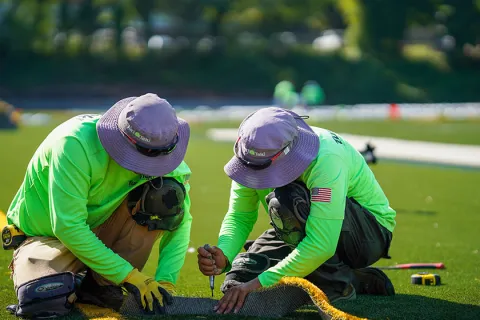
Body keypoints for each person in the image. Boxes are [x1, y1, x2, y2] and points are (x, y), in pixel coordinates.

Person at [3, 93, 193, 318]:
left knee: (165, 196)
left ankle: (102, 284)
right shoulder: (74, 144)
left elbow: (179, 221)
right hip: (48, 237)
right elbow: (67, 226)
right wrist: (130, 276)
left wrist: (166, 282)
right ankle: (86, 276)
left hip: (104, 230)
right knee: (42, 299)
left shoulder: (164, 152)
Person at [197, 107, 396, 314]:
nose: (252, 174)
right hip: (301, 225)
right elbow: (240, 215)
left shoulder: (326, 158)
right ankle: (336, 274)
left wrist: (259, 283)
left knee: (289, 200)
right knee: (239, 276)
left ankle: (339, 283)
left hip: (368, 234)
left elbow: (322, 244)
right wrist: (224, 254)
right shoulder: (251, 155)